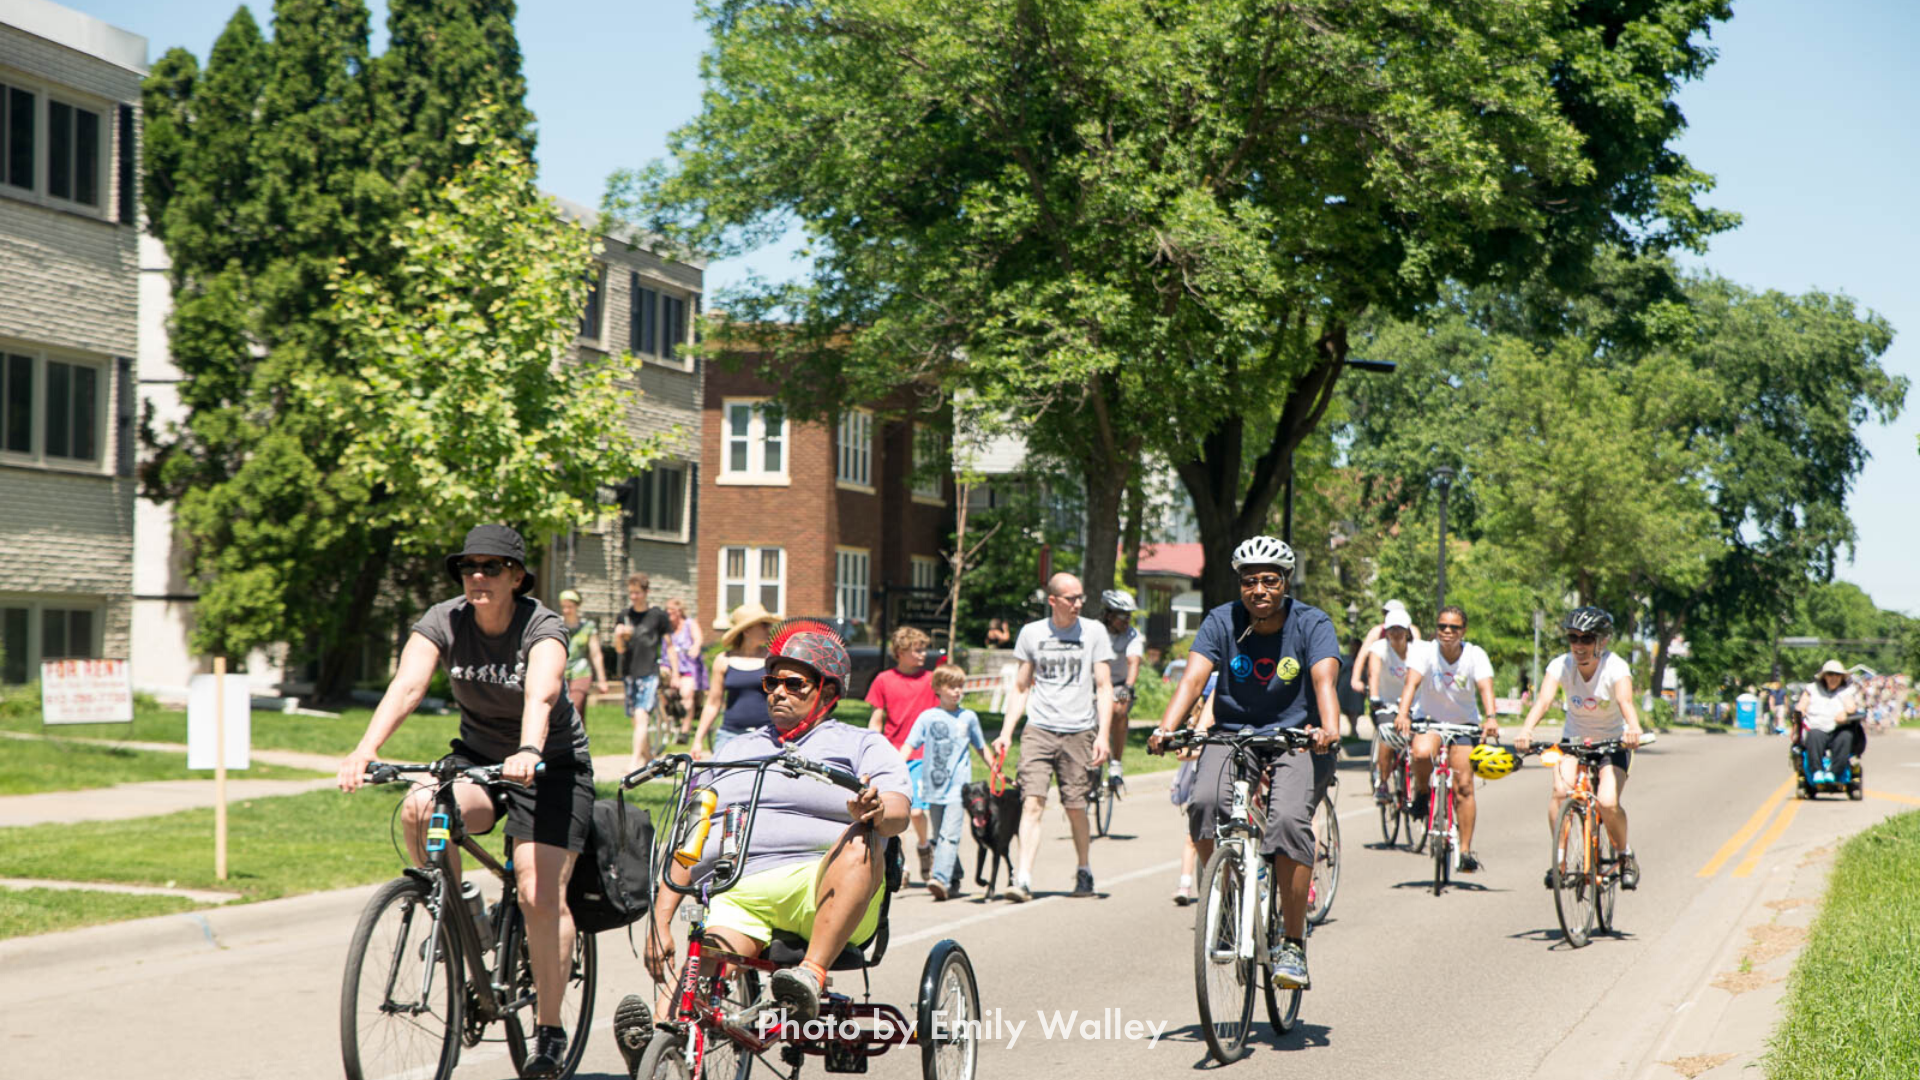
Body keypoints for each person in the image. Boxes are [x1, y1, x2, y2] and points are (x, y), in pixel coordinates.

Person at [336, 525, 594, 1079]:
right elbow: (407, 685)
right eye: (468, 567)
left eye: (492, 567)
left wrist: (529, 747)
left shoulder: (541, 625)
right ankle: (459, 922)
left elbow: (542, 691)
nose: (477, 576)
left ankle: (549, 1030)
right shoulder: (444, 620)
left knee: (535, 889)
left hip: (548, 766)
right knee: (420, 805)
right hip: (478, 758)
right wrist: (365, 749)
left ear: (516, 577)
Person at [613, 622, 909, 1072]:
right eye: (771, 682)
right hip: (741, 891)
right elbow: (691, 839)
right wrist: (660, 918)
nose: (777, 693)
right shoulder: (734, 750)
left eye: (794, 683)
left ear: (828, 691)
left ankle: (811, 973)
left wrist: (874, 808)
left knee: (860, 839)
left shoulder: (861, 744)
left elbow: (899, 810)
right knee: (705, 960)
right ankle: (659, 1043)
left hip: (827, 888)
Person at [1149, 535, 1341, 991]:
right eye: (1250, 581)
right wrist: (1166, 727)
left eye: (1269, 581)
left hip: (1298, 739)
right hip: (1233, 735)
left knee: (1290, 823)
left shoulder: (1312, 623)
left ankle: (1293, 943)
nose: (1259, 590)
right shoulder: (1222, 620)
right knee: (1203, 803)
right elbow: (1194, 678)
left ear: (1285, 583)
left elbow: (1324, 682)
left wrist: (1327, 729)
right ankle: (1228, 904)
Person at [991, 572, 1116, 901]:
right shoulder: (1031, 634)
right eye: (1070, 598)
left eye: (1080, 598)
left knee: (1076, 806)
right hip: (1039, 729)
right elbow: (1020, 688)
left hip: (1079, 731)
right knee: (1032, 802)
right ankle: (1023, 877)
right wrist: (1006, 733)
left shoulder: (1094, 632)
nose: (1077, 604)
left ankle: (1084, 869)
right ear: (1053, 601)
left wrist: (1103, 736)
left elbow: (1104, 687)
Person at [1515, 606, 1644, 889]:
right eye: (1574, 638)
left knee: (1608, 802)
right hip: (1574, 740)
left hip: (1612, 742)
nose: (1579, 645)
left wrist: (1633, 728)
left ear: (1602, 640)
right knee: (1561, 792)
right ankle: (1559, 862)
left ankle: (1624, 856)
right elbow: (1544, 701)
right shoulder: (1560, 665)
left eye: (1587, 639)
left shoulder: (1616, 667)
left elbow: (1625, 702)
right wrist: (1526, 729)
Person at [1392, 603, 1498, 873]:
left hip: (1464, 725)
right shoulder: (1425, 652)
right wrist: (1403, 714)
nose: (1447, 632)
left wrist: (1491, 718)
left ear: (1464, 630)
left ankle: (1464, 851)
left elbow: (1485, 688)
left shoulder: (1475, 655)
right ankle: (1423, 792)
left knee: (1464, 785)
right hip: (1429, 721)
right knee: (1419, 752)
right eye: (1442, 626)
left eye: (1454, 627)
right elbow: (1411, 684)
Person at [902, 663, 990, 900]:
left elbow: (981, 747)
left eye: (960, 687)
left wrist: (996, 770)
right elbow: (910, 745)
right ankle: (955, 875)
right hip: (933, 787)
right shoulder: (928, 717)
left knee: (949, 835)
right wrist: (895, 767)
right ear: (938, 689)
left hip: (958, 788)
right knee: (940, 834)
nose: (957, 691)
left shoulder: (968, 717)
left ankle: (939, 878)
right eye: (951, 687)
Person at [866, 626, 939, 883]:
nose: (923, 654)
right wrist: (870, 747)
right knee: (896, 811)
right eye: (917, 650)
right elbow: (877, 718)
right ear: (900, 652)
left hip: (921, 754)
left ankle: (924, 846)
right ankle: (902, 864)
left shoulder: (932, 680)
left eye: (924, 649)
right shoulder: (883, 679)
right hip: (893, 755)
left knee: (917, 812)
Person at [692, 602, 777, 758]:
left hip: (767, 735)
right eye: (764, 625)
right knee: (721, 780)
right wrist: (698, 740)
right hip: (729, 736)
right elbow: (713, 703)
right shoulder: (724, 660)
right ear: (747, 630)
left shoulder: (773, 659)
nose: (769, 629)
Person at [612, 573, 674, 770]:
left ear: (646, 592)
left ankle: (634, 762)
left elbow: (669, 646)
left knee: (641, 716)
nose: (634, 597)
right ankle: (648, 758)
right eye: (631, 593)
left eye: (637, 593)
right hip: (629, 672)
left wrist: (675, 671)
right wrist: (619, 636)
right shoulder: (624, 616)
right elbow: (619, 649)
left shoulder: (657, 616)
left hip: (649, 671)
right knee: (635, 720)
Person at [1362, 607, 1422, 802]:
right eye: (1391, 630)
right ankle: (1383, 781)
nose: (1395, 634)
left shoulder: (1418, 650)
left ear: (1407, 631)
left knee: (1422, 740)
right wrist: (1374, 697)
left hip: (1415, 704)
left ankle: (1421, 784)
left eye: (1400, 629)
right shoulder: (1379, 648)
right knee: (1387, 735)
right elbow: (1374, 673)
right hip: (1387, 702)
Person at [1168, 672, 1215, 905]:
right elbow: (1182, 754)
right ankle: (1184, 884)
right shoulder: (1196, 723)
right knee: (1192, 836)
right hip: (1201, 782)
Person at [1100, 589, 1146, 794]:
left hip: (1118, 682)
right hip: (1093, 683)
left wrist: (1128, 687)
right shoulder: (1094, 631)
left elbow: (1133, 662)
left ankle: (1115, 764)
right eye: (1122, 615)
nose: (1126, 620)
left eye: (1129, 615)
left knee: (1119, 709)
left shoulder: (1132, 634)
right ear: (1109, 614)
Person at [1795, 659, 1863, 784]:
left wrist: (1845, 713)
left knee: (1846, 736)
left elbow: (1851, 706)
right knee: (1814, 735)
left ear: (1841, 677)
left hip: (1837, 728)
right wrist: (1800, 711)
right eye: (1830, 674)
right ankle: (1817, 772)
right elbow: (1801, 706)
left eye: (1837, 675)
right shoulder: (1812, 689)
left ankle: (1834, 773)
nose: (1834, 678)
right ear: (1824, 676)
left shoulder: (1845, 691)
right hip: (1817, 727)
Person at [557, 589, 611, 725]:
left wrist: (602, 679)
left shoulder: (587, 627)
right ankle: (577, 741)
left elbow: (595, 654)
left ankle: (573, 741)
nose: (566, 610)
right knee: (568, 710)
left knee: (574, 705)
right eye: (564, 606)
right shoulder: (556, 625)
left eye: (570, 606)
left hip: (581, 671)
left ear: (577, 606)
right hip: (560, 671)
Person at [1349, 599, 1424, 695]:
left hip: (1405, 681)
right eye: (1385, 613)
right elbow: (1362, 655)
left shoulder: (1412, 631)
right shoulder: (1377, 631)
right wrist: (1355, 679)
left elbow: (1418, 658)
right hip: (1383, 685)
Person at [663, 597, 708, 741]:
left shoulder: (690, 624)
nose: (669, 613)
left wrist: (695, 647)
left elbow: (698, 639)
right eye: (667, 610)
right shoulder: (665, 628)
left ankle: (685, 730)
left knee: (687, 693)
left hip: (688, 665)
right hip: (669, 664)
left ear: (679, 611)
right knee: (661, 679)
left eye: (671, 610)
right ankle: (668, 711)